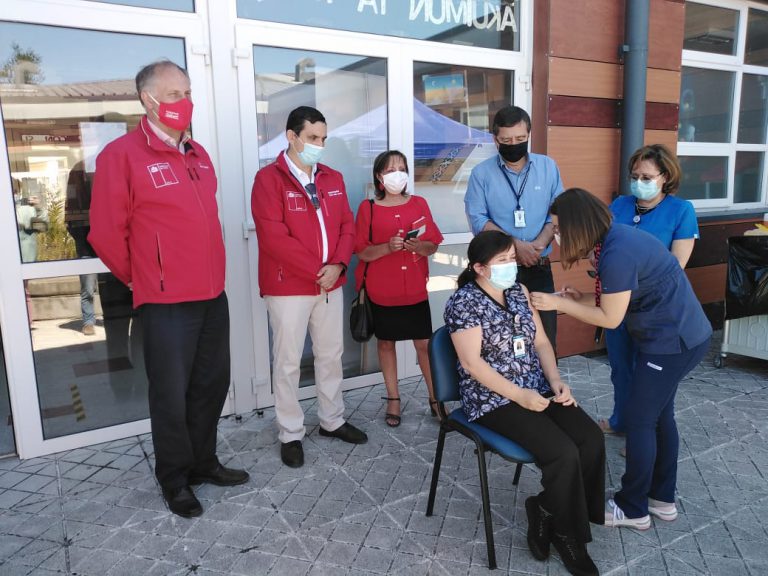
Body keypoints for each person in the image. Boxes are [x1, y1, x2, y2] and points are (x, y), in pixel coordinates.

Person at [88, 60, 249, 519]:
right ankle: (175, 478)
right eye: (174, 94)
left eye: (187, 91)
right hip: (165, 302)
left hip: (210, 295)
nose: (184, 102)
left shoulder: (197, 153)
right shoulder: (122, 155)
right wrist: (143, 277)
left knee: (210, 385)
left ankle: (204, 462)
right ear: (148, 100)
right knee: (171, 394)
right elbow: (104, 233)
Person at [530, 188, 712, 532]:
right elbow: (617, 297)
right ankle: (661, 500)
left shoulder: (618, 251)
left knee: (640, 420)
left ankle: (633, 508)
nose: (556, 235)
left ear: (577, 223)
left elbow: (611, 318)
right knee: (660, 417)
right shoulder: (614, 239)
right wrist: (578, 296)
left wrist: (559, 304)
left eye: (558, 227)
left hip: (672, 342)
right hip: (681, 337)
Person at [445, 231, 604, 576]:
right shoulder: (463, 303)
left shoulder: (519, 293)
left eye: (512, 259)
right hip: (492, 400)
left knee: (591, 439)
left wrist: (556, 381)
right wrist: (519, 396)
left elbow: (542, 343)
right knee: (563, 452)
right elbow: (472, 364)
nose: (511, 267)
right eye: (502, 261)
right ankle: (567, 535)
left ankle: (546, 508)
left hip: (535, 387)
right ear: (479, 268)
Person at [251, 106, 368, 469]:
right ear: (292, 136)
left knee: (330, 355)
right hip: (289, 287)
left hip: (329, 284)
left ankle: (332, 421)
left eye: (323, 138)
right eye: (313, 138)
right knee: (287, 363)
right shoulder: (268, 180)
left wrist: (337, 266)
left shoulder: (331, 177)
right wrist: (318, 270)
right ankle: (290, 432)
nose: (319, 144)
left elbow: (346, 226)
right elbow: (274, 237)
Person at [601, 145, 698, 436]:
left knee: (650, 372)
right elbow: (604, 246)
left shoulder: (681, 210)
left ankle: (647, 426)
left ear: (665, 176)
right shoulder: (619, 206)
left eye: (646, 176)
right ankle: (622, 420)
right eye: (634, 175)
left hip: (655, 309)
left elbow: (676, 265)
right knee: (621, 367)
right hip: (618, 304)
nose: (638, 182)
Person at [354, 150, 444, 427]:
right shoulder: (367, 208)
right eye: (391, 170)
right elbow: (362, 253)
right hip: (382, 289)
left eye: (402, 168)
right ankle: (393, 399)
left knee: (425, 345)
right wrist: (386, 248)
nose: (398, 174)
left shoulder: (419, 203)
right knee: (385, 343)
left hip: (414, 287)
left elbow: (433, 244)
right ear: (380, 177)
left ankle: (435, 398)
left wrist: (420, 246)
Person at [464, 106, 563, 352]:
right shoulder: (481, 174)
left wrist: (538, 245)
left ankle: (547, 389)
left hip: (539, 267)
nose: (514, 144)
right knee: (503, 341)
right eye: (506, 140)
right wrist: (515, 246)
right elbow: (477, 219)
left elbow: (558, 211)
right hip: (499, 271)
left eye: (520, 139)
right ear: (495, 139)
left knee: (545, 338)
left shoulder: (548, 167)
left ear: (529, 133)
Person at [65, 162, 98, 336]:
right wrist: (77, 232)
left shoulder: (106, 164)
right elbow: (70, 204)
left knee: (115, 283)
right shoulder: (77, 170)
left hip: (105, 232)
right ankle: (88, 321)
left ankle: (112, 317)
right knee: (87, 283)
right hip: (83, 233)